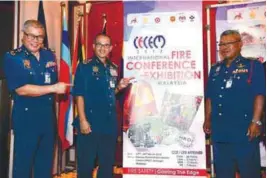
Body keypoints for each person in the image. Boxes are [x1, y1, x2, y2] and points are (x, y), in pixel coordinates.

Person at [3, 20, 70, 178]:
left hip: (47, 119)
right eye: (31, 36)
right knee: (23, 166)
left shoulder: (48, 55)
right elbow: (21, 89)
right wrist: (53, 88)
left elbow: (51, 80)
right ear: (23, 36)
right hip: (26, 120)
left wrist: (56, 87)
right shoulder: (13, 57)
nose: (35, 40)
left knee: (45, 166)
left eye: (40, 37)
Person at [203, 29, 265, 178]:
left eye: (229, 43)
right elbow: (210, 97)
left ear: (240, 44)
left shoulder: (253, 66)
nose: (224, 48)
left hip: (244, 131)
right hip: (220, 132)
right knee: (223, 173)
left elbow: (259, 95)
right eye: (221, 44)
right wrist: (208, 119)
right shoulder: (215, 69)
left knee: (249, 172)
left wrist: (256, 121)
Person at [73, 33, 133, 178]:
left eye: (106, 45)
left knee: (107, 165)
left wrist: (120, 86)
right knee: (86, 165)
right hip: (90, 121)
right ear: (94, 47)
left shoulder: (113, 67)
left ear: (110, 48)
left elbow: (111, 93)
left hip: (108, 123)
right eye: (99, 44)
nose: (102, 48)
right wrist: (82, 120)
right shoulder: (85, 66)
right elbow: (78, 94)